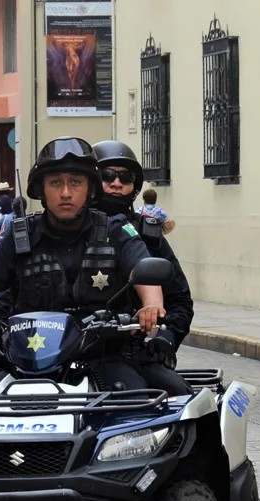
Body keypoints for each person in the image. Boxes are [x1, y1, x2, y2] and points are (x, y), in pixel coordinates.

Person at [0, 137, 167, 393]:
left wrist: (152, 305)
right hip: (23, 360)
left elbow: (143, 271)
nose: (66, 192)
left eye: (75, 183)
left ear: (89, 188)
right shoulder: (17, 236)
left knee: (158, 403)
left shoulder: (116, 231)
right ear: (41, 189)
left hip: (103, 355)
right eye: (56, 182)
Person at [92, 140, 193, 395]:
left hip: (128, 351)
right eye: (107, 176)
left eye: (124, 177)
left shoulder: (147, 235)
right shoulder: (68, 229)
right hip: (61, 351)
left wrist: (165, 337)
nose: (116, 183)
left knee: (185, 402)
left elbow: (180, 299)